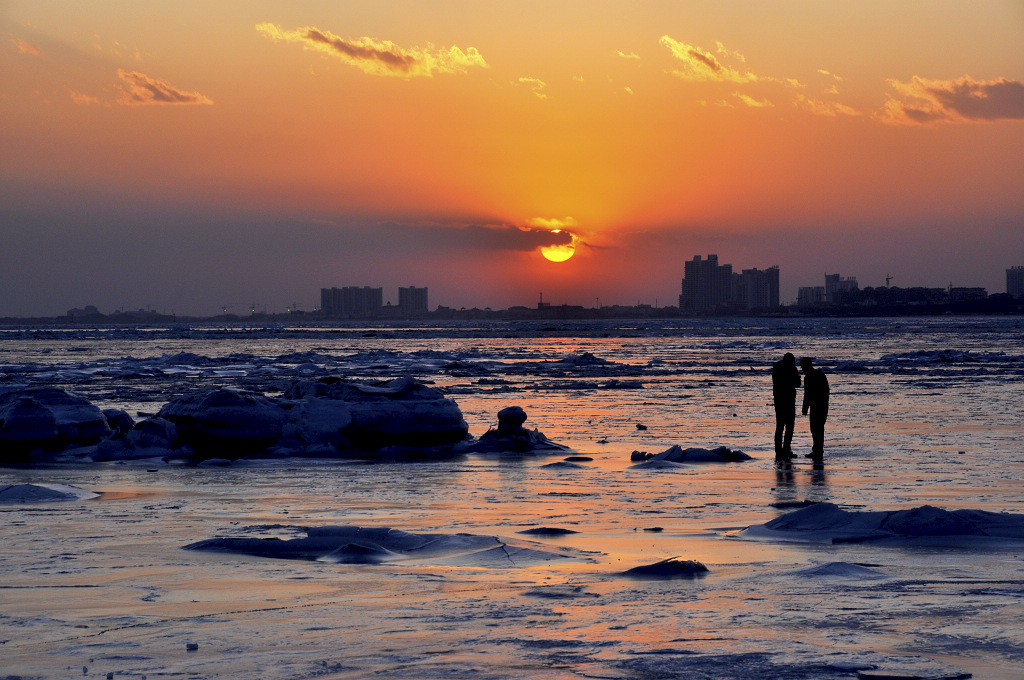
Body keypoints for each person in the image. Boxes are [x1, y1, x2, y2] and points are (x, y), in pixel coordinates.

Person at [771, 352, 801, 461]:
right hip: (787, 400)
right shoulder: (791, 369)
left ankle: (780, 450)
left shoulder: (777, 369)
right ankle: (785, 449)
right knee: (788, 426)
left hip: (779, 400)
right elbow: (797, 384)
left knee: (780, 426)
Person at [800, 357, 830, 461]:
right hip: (820, 405)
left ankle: (818, 451)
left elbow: (807, 394)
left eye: (803, 367)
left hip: (818, 406)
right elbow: (826, 391)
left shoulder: (811, 377)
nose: (802, 369)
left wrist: (805, 408)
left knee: (817, 429)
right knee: (817, 429)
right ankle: (817, 450)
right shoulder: (818, 375)